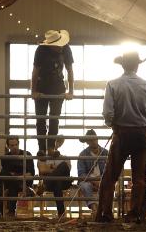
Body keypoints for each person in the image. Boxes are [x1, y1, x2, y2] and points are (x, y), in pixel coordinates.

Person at [96, 51, 146, 224]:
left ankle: (106, 213)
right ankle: (134, 213)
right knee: (139, 178)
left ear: (122, 65)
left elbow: (108, 113)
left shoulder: (113, 84)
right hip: (141, 134)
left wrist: (113, 124)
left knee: (110, 176)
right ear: (137, 65)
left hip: (121, 133)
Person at [31, 29, 74, 157]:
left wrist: (70, 91)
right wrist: (34, 91)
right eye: (57, 45)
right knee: (41, 118)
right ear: (50, 45)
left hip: (58, 86)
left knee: (54, 118)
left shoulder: (66, 49)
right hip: (42, 85)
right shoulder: (41, 50)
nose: (60, 47)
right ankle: (41, 148)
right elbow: (35, 71)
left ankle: (51, 147)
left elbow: (70, 70)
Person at [0, 136, 35, 217]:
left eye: (16, 144)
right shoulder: (6, 157)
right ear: (8, 146)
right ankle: (10, 212)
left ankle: (0, 212)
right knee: (7, 180)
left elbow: (31, 173)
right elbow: (8, 173)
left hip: (25, 181)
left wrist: (17, 176)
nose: (14, 147)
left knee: (6, 178)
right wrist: (18, 176)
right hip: (15, 182)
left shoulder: (27, 154)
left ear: (19, 144)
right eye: (12, 145)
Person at [37, 137, 72, 218]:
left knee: (63, 166)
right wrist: (56, 169)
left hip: (63, 182)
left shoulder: (64, 157)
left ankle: (45, 184)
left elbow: (67, 169)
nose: (50, 149)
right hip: (53, 184)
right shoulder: (43, 158)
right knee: (57, 181)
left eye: (52, 146)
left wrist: (49, 168)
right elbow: (42, 170)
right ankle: (61, 213)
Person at [77, 129, 108, 215]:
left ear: (97, 139)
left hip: (102, 180)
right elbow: (81, 174)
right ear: (87, 142)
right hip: (88, 181)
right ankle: (94, 209)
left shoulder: (105, 153)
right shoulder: (83, 154)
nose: (93, 141)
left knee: (107, 185)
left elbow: (110, 171)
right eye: (90, 140)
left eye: (94, 139)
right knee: (85, 185)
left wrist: (101, 181)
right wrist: (94, 181)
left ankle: (103, 209)